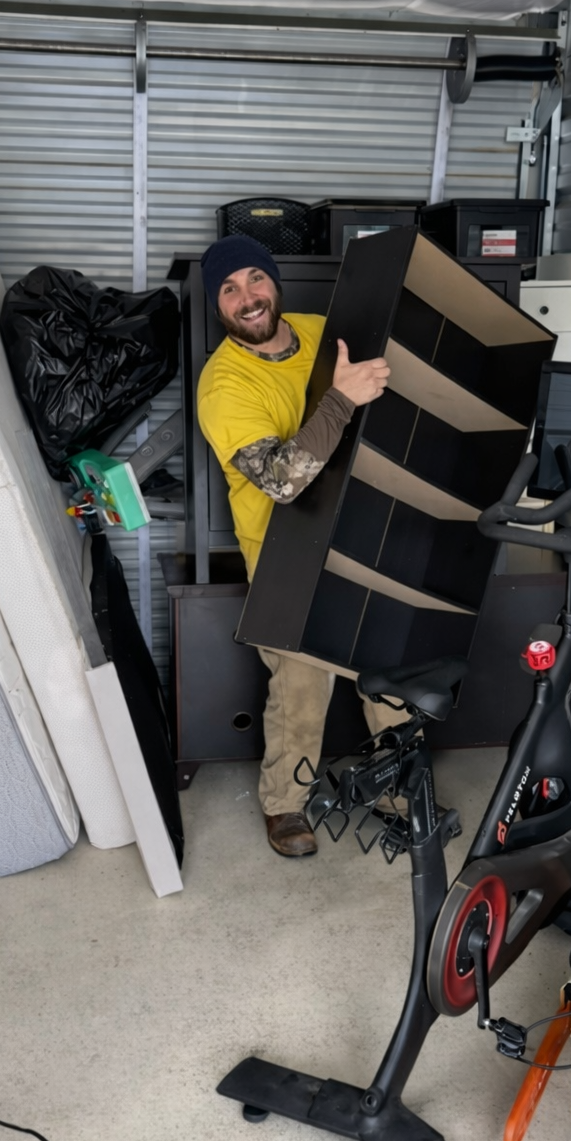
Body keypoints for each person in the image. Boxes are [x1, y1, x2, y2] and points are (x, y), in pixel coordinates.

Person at [196, 234, 402, 858]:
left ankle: (395, 793)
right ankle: (285, 806)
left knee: (387, 672)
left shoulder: (323, 333)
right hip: (285, 556)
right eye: (229, 289)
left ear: (275, 284)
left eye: (255, 279)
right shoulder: (222, 385)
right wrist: (342, 397)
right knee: (301, 684)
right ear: (218, 305)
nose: (247, 298)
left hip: (360, 531)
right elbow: (283, 480)